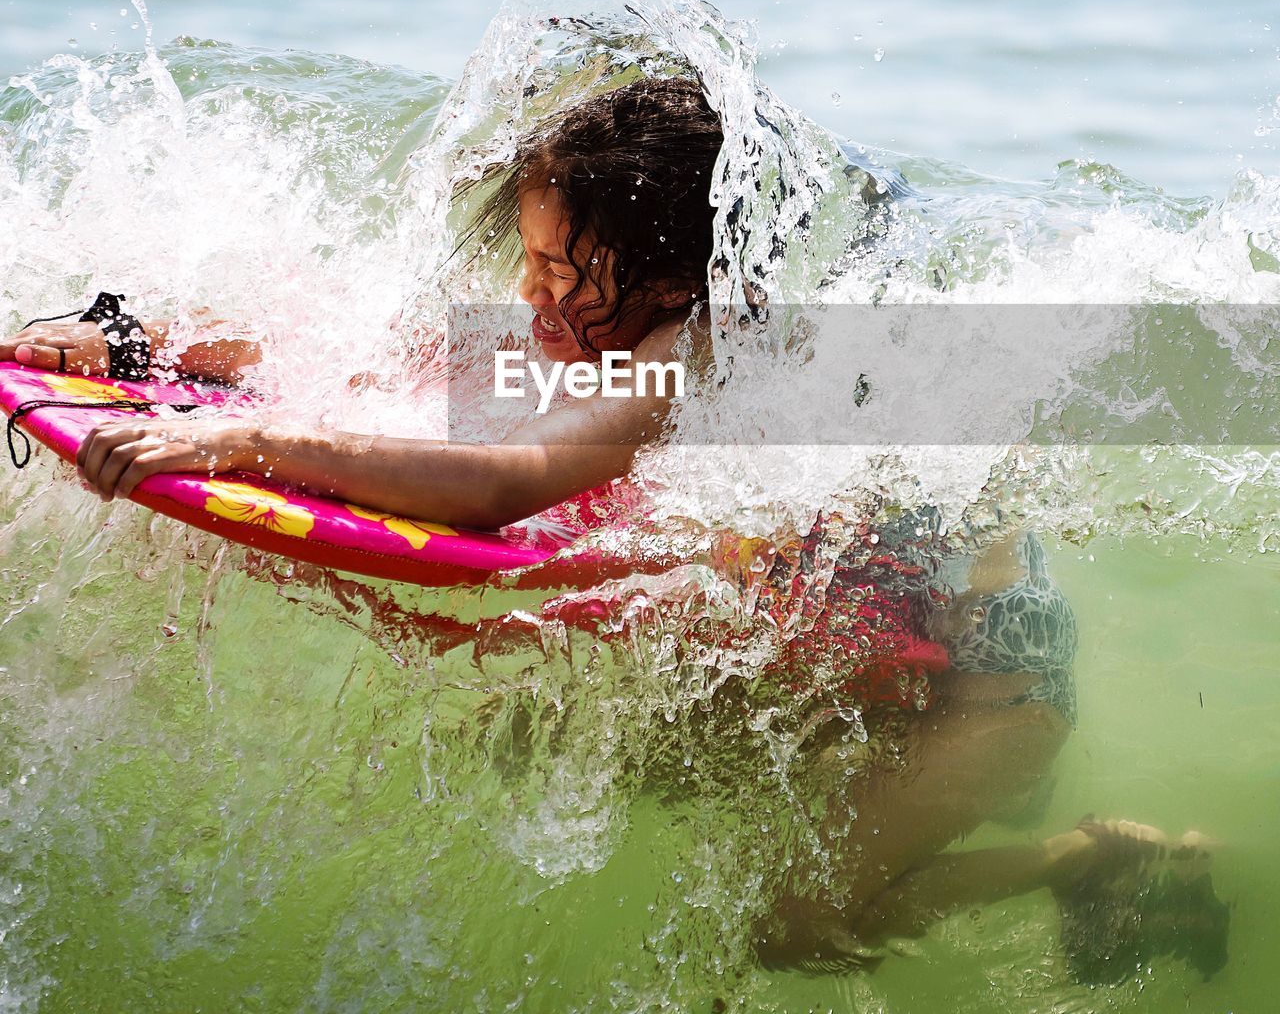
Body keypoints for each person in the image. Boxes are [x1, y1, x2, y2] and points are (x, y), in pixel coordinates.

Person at [0, 74, 1224, 978]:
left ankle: (1084, 858)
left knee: (790, 927)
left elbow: (504, 484)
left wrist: (244, 441)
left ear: (666, 279)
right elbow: (397, 350)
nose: (525, 291)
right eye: (524, 257)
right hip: (851, 622)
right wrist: (138, 341)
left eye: (553, 268)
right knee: (539, 745)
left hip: (987, 676)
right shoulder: (621, 330)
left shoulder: (696, 359)